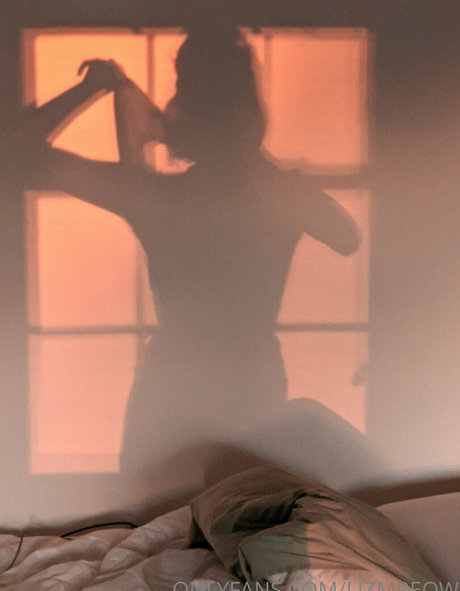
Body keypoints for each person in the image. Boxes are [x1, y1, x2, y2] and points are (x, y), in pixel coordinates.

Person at [15, 28, 361, 471]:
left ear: (186, 110)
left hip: (176, 387)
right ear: (249, 108)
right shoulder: (280, 194)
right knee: (240, 506)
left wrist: (90, 88)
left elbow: (18, 151)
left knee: (163, 508)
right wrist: (269, 172)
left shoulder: (157, 197)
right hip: (247, 383)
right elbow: (347, 237)